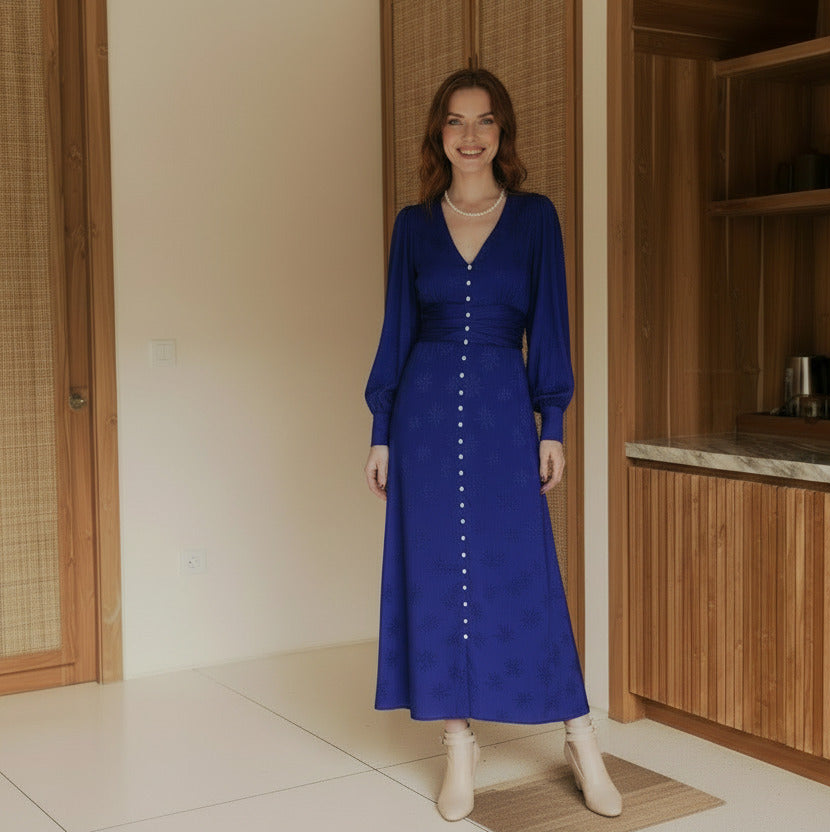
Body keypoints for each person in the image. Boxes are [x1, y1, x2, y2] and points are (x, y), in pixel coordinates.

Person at [363, 68, 621, 822]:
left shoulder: (536, 219)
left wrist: (553, 423)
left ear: (501, 132)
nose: (469, 136)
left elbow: (552, 326)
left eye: (483, 121)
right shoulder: (413, 226)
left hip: (505, 415)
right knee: (438, 575)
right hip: (423, 420)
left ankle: (580, 738)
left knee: (527, 571)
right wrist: (381, 433)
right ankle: (458, 746)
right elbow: (397, 332)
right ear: (438, 134)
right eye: (455, 121)